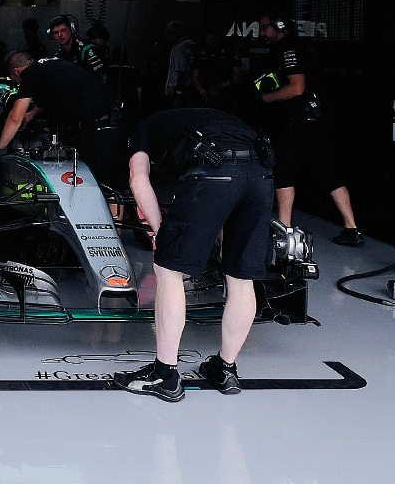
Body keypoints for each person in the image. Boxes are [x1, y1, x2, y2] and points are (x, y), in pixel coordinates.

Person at [113, 108, 275, 402]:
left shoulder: (143, 125)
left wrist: (161, 232)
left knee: (169, 271)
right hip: (261, 176)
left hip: (214, 172)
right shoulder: (211, 117)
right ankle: (224, 368)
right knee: (241, 277)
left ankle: (165, 375)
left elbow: (138, 179)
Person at [257, 14, 364, 246]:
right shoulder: (297, 47)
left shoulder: (288, 49)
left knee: (282, 170)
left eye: (265, 28)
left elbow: (296, 88)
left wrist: (267, 97)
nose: (262, 33)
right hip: (321, 118)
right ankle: (352, 229)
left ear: (279, 26)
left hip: (306, 119)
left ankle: (284, 231)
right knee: (327, 173)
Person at [0, 52, 128, 192]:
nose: (18, 83)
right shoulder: (50, 64)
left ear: (17, 71)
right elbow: (54, 95)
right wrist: (31, 115)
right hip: (118, 118)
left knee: (100, 185)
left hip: (102, 124)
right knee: (115, 186)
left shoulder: (30, 73)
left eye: (15, 80)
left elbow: (15, 118)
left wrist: (0, 148)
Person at [190, 26, 241, 107]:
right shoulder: (197, 49)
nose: (211, 41)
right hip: (204, 90)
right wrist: (200, 89)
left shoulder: (230, 49)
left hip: (226, 91)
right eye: (208, 37)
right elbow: (194, 73)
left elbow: (238, 74)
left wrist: (221, 86)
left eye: (214, 37)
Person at [49, 14, 107, 81]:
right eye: (56, 32)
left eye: (63, 30)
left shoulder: (87, 50)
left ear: (72, 29)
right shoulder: (59, 54)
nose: (60, 35)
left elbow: (101, 79)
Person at [164, 20, 197, 97]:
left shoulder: (179, 48)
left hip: (179, 87)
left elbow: (182, 71)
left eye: (169, 33)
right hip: (190, 85)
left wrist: (178, 93)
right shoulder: (192, 45)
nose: (167, 37)